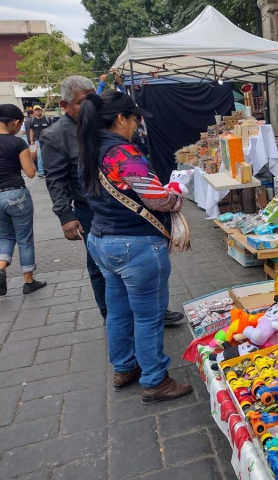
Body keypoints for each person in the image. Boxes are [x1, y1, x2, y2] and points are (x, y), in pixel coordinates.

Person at [76, 90, 192, 402]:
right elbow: (156, 199)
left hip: (101, 241)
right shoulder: (124, 154)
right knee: (148, 317)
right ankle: (155, 380)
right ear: (120, 119)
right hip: (135, 246)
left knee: (117, 311)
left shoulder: (90, 148)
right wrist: (178, 192)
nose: (137, 124)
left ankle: (124, 367)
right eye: (134, 118)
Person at [40, 76, 184, 326]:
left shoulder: (106, 131)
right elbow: (56, 179)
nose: (90, 108)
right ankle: (113, 317)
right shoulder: (55, 135)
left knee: (134, 282)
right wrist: (66, 216)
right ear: (64, 105)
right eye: (83, 102)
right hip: (90, 211)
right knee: (103, 273)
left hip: (124, 210)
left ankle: (143, 315)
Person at [0, 104, 47, 296]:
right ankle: (28, 281)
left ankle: (1, 268)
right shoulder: (18, 143)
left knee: (4, 236)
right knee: (24, 239)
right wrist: (32, 157)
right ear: (15, 122)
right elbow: (30, 172)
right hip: (15, 193)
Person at [29, 105, 52, 178]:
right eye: (36, 110)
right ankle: (41, 172)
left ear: (41, 110)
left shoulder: (47, 119)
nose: (38, 111)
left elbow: (52, 129)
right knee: (39, 155)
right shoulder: (32, 120)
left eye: (39, 109)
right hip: (37, 141)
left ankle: (50, 170)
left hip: (47, 140)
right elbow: (31, 131)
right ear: (34, 112)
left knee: (48, 155)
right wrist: (31, 141)